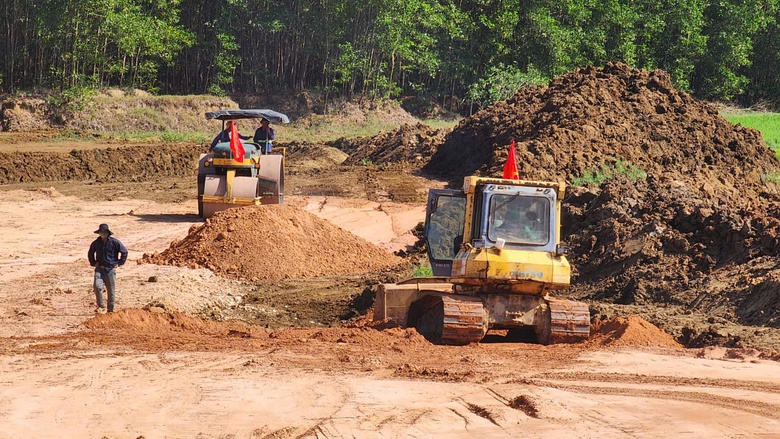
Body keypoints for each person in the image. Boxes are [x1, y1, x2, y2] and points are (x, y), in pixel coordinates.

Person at [87, 223, 128, 313]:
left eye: (104, 231)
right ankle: (101, 306)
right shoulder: (96, 243)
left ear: (108, 232)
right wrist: (93, 263)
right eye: (101, 231)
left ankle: (110, 310)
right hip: (99, 269)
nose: (103, 233)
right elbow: (90, 253)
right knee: (97, 286)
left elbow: (124, 252)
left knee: (111, 291)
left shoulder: (114, 242)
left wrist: (120, 263)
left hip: (110, 270)